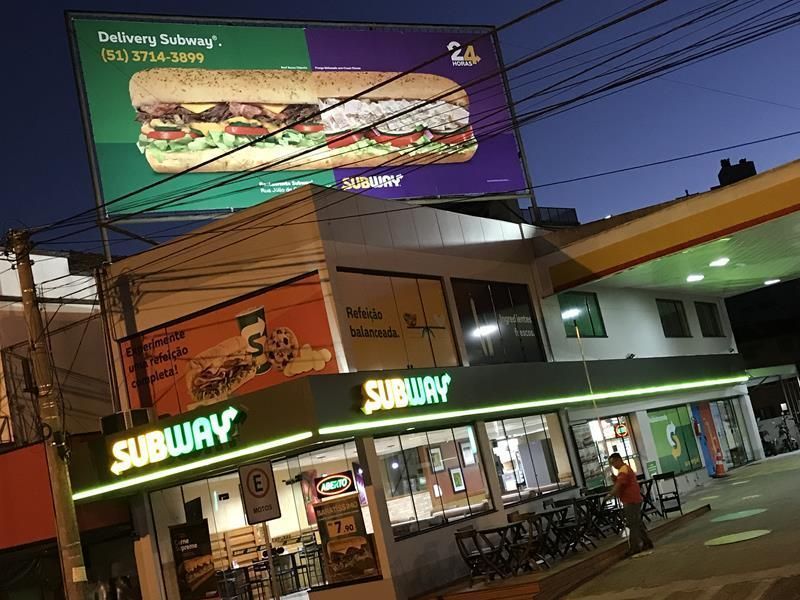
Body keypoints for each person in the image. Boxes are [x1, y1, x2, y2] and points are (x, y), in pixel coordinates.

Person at [605, 453, 653, 557]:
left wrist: (610, 494)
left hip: (631, 500)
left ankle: (634, 547)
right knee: (637, 522)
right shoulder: (624, 470)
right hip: (633, 499)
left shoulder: (623, 470)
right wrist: (615, 480)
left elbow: (619, 485)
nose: (613, 466)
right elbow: (621, 483)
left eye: (613, 463)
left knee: (632, 524)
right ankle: (647, 542)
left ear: (618, 460)